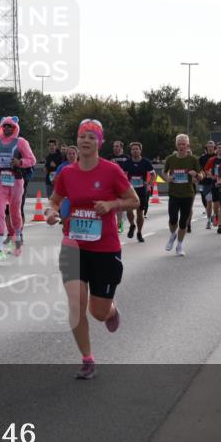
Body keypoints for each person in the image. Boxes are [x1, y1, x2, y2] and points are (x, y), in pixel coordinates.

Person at [46, 120, 138, 379]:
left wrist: (111, 205)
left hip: (105, 248)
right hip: (73, 246)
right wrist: (51, 212)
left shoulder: (111, 171)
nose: (86, 140)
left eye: (91, 137)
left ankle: (110, 311)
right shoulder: (67, 173)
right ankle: (87, 360)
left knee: (97, 312)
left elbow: (134, 200)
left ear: (99, 142)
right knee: (76, 304)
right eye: (82, 136)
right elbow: (54, 200)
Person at [0, 116, 36, 261]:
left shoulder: (21, 142)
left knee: (15, 211)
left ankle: (18, 236)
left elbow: (32, 160)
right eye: (5, 126)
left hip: (15, 179)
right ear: (1, 127)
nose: (7, 128)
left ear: (15, 128)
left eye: (10, 126)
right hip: (0, 178)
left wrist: (20, 162)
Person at [163, 134, 201, 256]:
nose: (181, 146)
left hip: (187, 195)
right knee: (173, 219)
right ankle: (172, 235)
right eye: (179, 144)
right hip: (174, 194)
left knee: (183, 222)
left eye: (183, 144)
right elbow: (164, 173)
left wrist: (196, 174)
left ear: (187, 145)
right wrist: (168, 178)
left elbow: (201, 176)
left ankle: (179, 246)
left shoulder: (193, 159)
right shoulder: (170, 159)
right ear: (176, 145)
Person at [123, 141, 155, 242]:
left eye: (137, 149)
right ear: (131, 151)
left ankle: (139, 233)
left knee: (140, 212)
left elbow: (153, 174)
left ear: (140, 150)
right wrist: (125, 183)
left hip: (142, 190)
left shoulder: (146, 162)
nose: (135, 151)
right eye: (133, 149)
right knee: (129, 210)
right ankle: (132, 225)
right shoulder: (127, 162)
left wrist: (149, 184)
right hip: (130, 190)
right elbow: (121, 174)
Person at [110, 140, 129, 232]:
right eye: (114, 146)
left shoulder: (126, 158)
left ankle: (119, 224)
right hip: (111, 183)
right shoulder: (109, 157)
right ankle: (112, 223)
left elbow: (129, 170)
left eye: (117, 146)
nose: (115, 148)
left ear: (121, 148)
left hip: (122, 183)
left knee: (119, 205)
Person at [199, 140, 217, 228]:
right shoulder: (202, 158)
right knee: (208, 202)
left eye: (212, 146)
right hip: (206, 183)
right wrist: (204, 174)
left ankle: (215, 217)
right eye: (208, 146)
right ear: (206, 147)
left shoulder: (217, 157)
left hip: (216, 183)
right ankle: (209, 220)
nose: (210, 148)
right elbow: (199, 169)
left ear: (214, 147)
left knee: (217, 203)